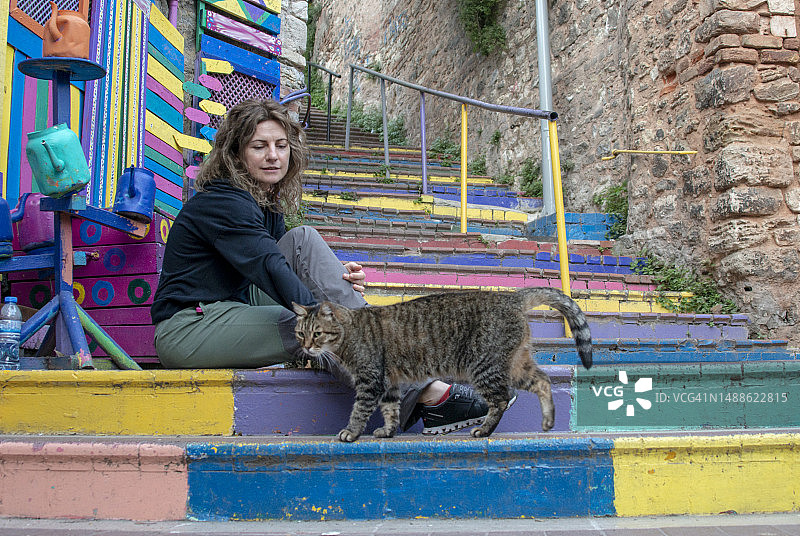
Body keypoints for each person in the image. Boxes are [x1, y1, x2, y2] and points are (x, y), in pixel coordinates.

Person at [150, 99, 496, 434]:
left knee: (304, 239)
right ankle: (423, 392)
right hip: (189, 326)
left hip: (235, 305)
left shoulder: (264, 203)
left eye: (281, 145)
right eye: (259, 146)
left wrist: (337, 280)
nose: (273, 155)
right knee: (312, 327)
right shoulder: (224, 202)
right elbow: (270, 268)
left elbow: (290, 265)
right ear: (236, 154)